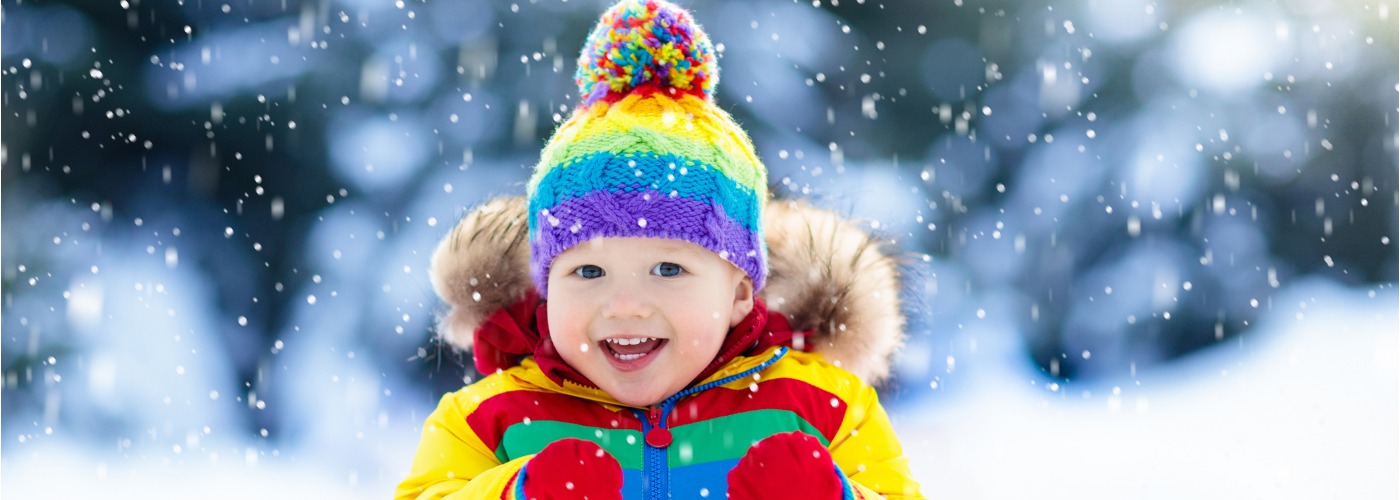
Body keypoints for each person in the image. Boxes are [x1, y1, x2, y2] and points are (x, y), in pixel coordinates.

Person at [396, 0, 923, 498]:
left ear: (740, 293)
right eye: (587, 271)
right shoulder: (491, 418)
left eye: (667, 268)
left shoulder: (821, 409)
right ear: (545, 287)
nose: (624, 304)